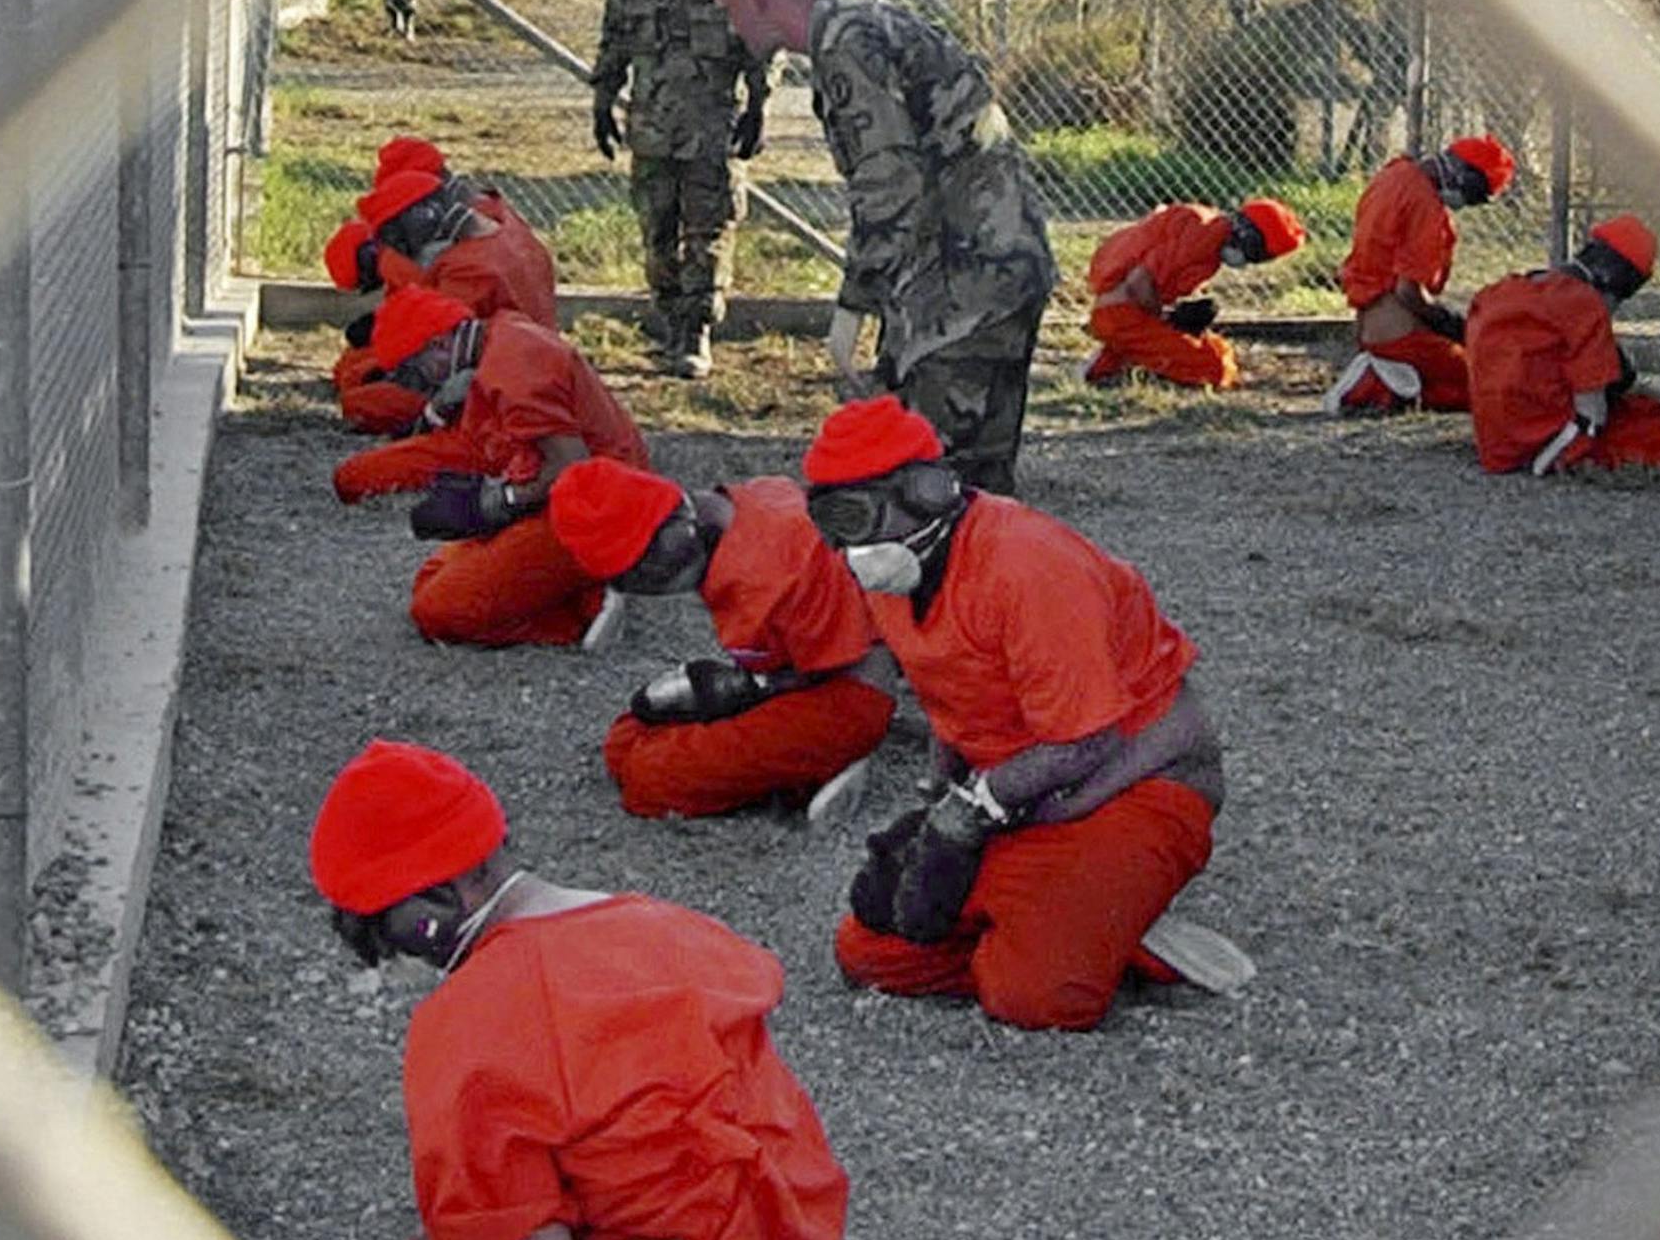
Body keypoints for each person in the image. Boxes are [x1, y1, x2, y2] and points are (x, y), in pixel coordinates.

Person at [300, 739, 847, 1240]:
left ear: (442, 902)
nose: (384, 960)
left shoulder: (469, 1018)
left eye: (380, 931)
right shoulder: (665, 924)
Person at [797, 396, 1245, 1033]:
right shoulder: (899, 573)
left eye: (858, 515)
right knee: (871, 954)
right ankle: (1076, 920)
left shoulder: (1027, 563)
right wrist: (942, 796)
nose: (849, 545)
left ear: (929, 492)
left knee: (1036, 998)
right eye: (829, 522)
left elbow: (1088, 740)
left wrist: (969, 812)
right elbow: (948, 690)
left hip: (1130, 783)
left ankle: (1107, 931)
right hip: (1027, 790)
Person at [710, 0, 1058, 495]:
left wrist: (854, 305)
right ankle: (996, 580)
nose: (731, 28)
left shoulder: (846, 49)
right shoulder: (868, 25)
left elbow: (888, 186)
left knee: (925, 485)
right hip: (1002, 266)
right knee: (982, 489)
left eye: (729, 10)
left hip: (963, 285)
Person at [546, 457, 897, 821]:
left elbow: (825, 668)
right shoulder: (740, 505)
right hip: (792, 674)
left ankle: (823, 765)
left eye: (642, 570)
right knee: (624, 741)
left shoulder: (767, 574)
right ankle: (785, 766)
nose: (645, 585)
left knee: (651, 780)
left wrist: (740, 693)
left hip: (846, 692)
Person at [332, 290, 650, 650]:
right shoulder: (500, 335)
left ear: (439, 345)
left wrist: (501, 500)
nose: (420, 383)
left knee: (438, 612)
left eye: (417, 371)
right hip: (579, 495)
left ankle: (580, 616)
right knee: (431, 577)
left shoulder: (512, 364)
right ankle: (587, 588)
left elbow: (570, 467)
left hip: (594, 509)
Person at [590, 0, 767, 381]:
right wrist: (603, 102)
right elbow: (615, 39)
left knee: (708, 232)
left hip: (712, 130)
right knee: (658, 233)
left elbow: (760, 44)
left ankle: (697, 333)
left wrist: (758, 104)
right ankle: (669, 323)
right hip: (652, 127)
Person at [1464, 213, 1660, 477]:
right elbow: (1592, 411)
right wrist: (1566, 456)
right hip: (1549, 441)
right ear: (1617, 279)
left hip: (1498, 441)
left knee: (1654, 411)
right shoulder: (1583, 305)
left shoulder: (1502, 290)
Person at [324, 161, 558, 436]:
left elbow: (442, 344)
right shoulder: (498, 225)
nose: (399, 249)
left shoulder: (466, 268)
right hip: (516, 356)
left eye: (397, 237)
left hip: (498, 380)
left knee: (360, 394)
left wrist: (430, 410)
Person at [1325, 134, 1517, 415]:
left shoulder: (1393, 175)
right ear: (1464, 176)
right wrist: (1452, 323)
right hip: (1400, 334)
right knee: (1491, 385)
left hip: (1372, 325)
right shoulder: (1425, 204)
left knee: (1453, 382)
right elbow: (1409, 292)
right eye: (1476, 194)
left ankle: (1391, 381)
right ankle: (1375, 385)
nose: (1469, 203)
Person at [1082, 195, 1307, 389]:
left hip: (1122, 310)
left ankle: (1115, 359)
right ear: (1247, 234)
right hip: (1120, 313)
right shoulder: (1203, 237)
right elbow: (1139, 284)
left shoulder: (1207, 228)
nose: (1251, 261)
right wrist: (1166, 318)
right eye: (1258, 253)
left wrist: (1177, 315)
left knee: (1219, 349)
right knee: (1215, 369)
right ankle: (1125, 361)